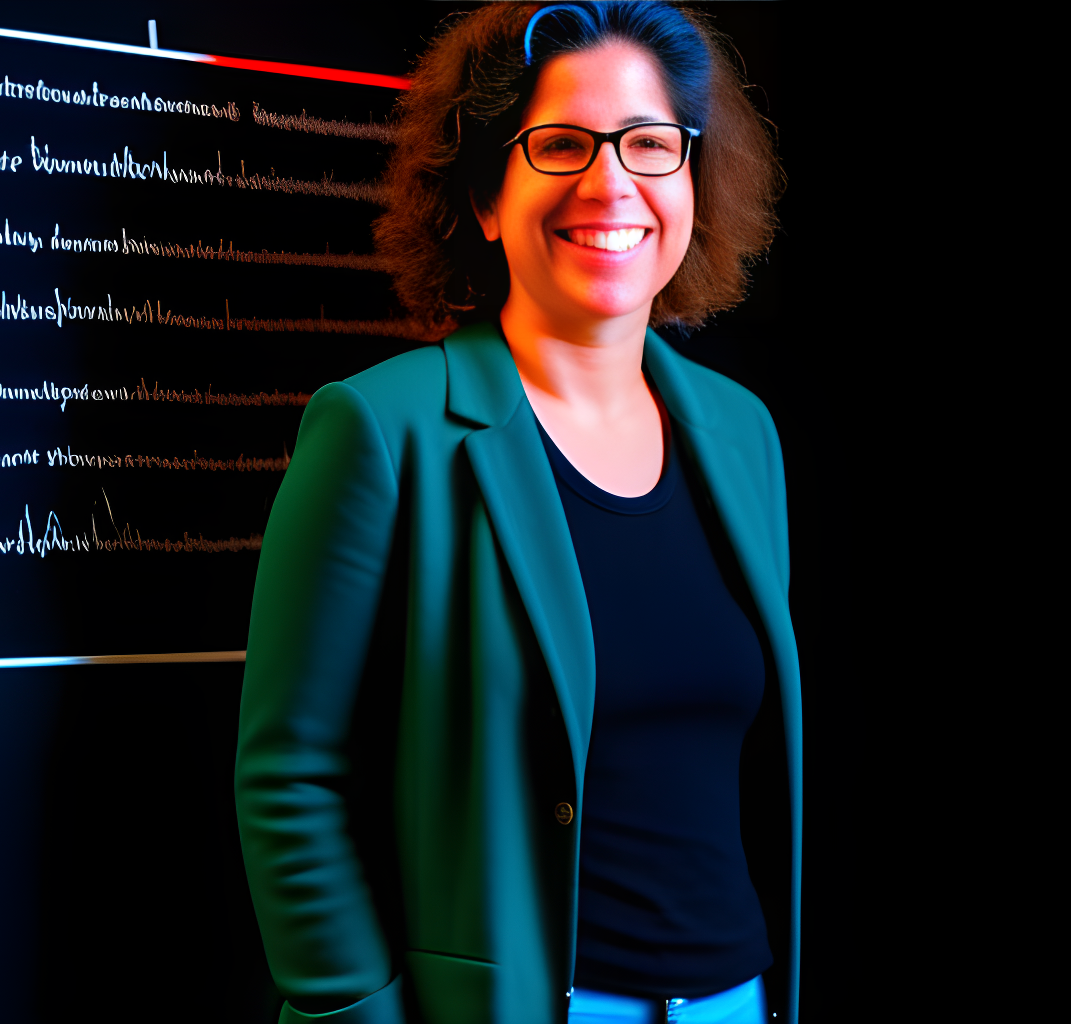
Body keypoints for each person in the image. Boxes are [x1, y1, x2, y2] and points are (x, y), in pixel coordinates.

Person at [234, 4, 796, 1022]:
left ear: (692, 184)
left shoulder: (742, 432)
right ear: (488, 195)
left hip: (740, 996)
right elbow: (291, 774)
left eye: (651, 144)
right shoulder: (381, 428)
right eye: (563, 144)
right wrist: (355, 1010)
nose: (610, 180)